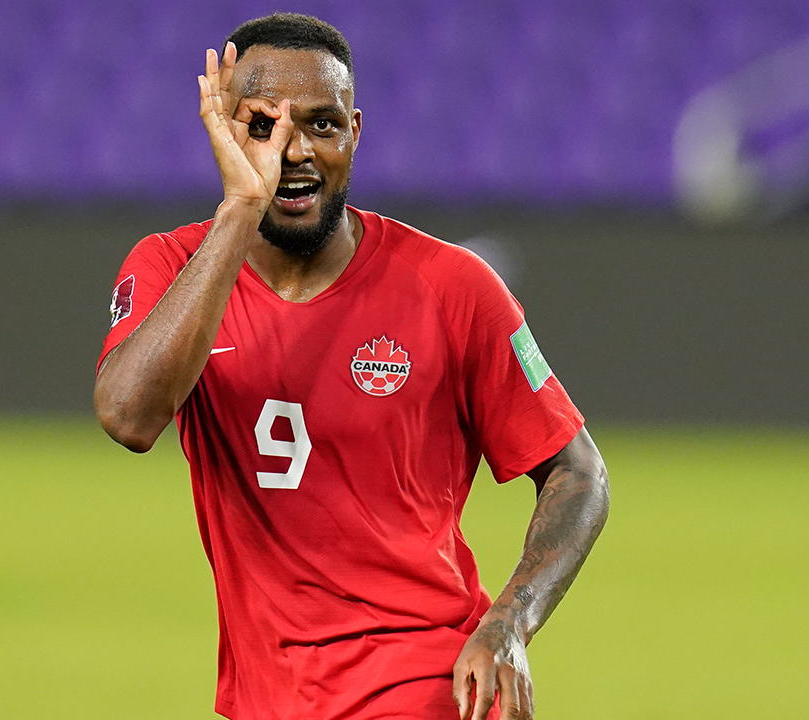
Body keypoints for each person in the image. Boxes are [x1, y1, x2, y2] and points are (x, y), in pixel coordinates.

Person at [94, 14, 608, 720]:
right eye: (264, 126)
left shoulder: (453, 287)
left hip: (421, 687)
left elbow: (579, 472)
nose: (296, 150)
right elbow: (128, 415)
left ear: (355, 133)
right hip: (265, 698)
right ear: (226, 132)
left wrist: (510, 622)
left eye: (323, 125)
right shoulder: (172, 267)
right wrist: (241, 208)